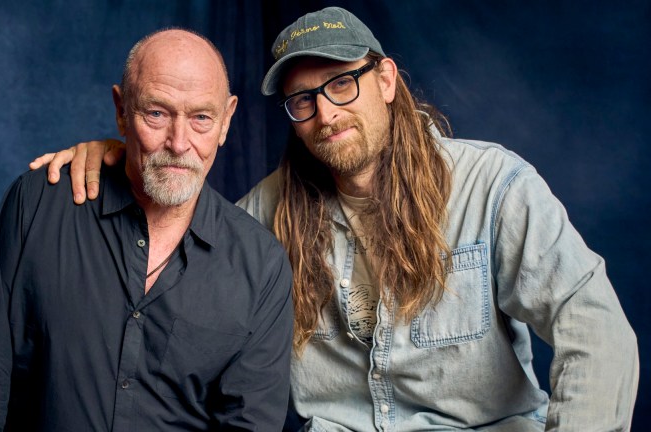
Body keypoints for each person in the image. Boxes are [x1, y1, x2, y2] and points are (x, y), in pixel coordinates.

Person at [34, 7, 639, 431]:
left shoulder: (494, 187)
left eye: (342, 84)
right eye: (304, 99)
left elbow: (596, 332)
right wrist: (121, 162)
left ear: (386, 80)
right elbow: (174, 235)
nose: (325, 114)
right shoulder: (263, 218)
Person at [0, 29, 294, 431]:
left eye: (201, 119)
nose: (179, 143)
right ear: (121, 110)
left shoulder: (261, 266)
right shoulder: (35, 206)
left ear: (226, 120)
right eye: (156, 113)